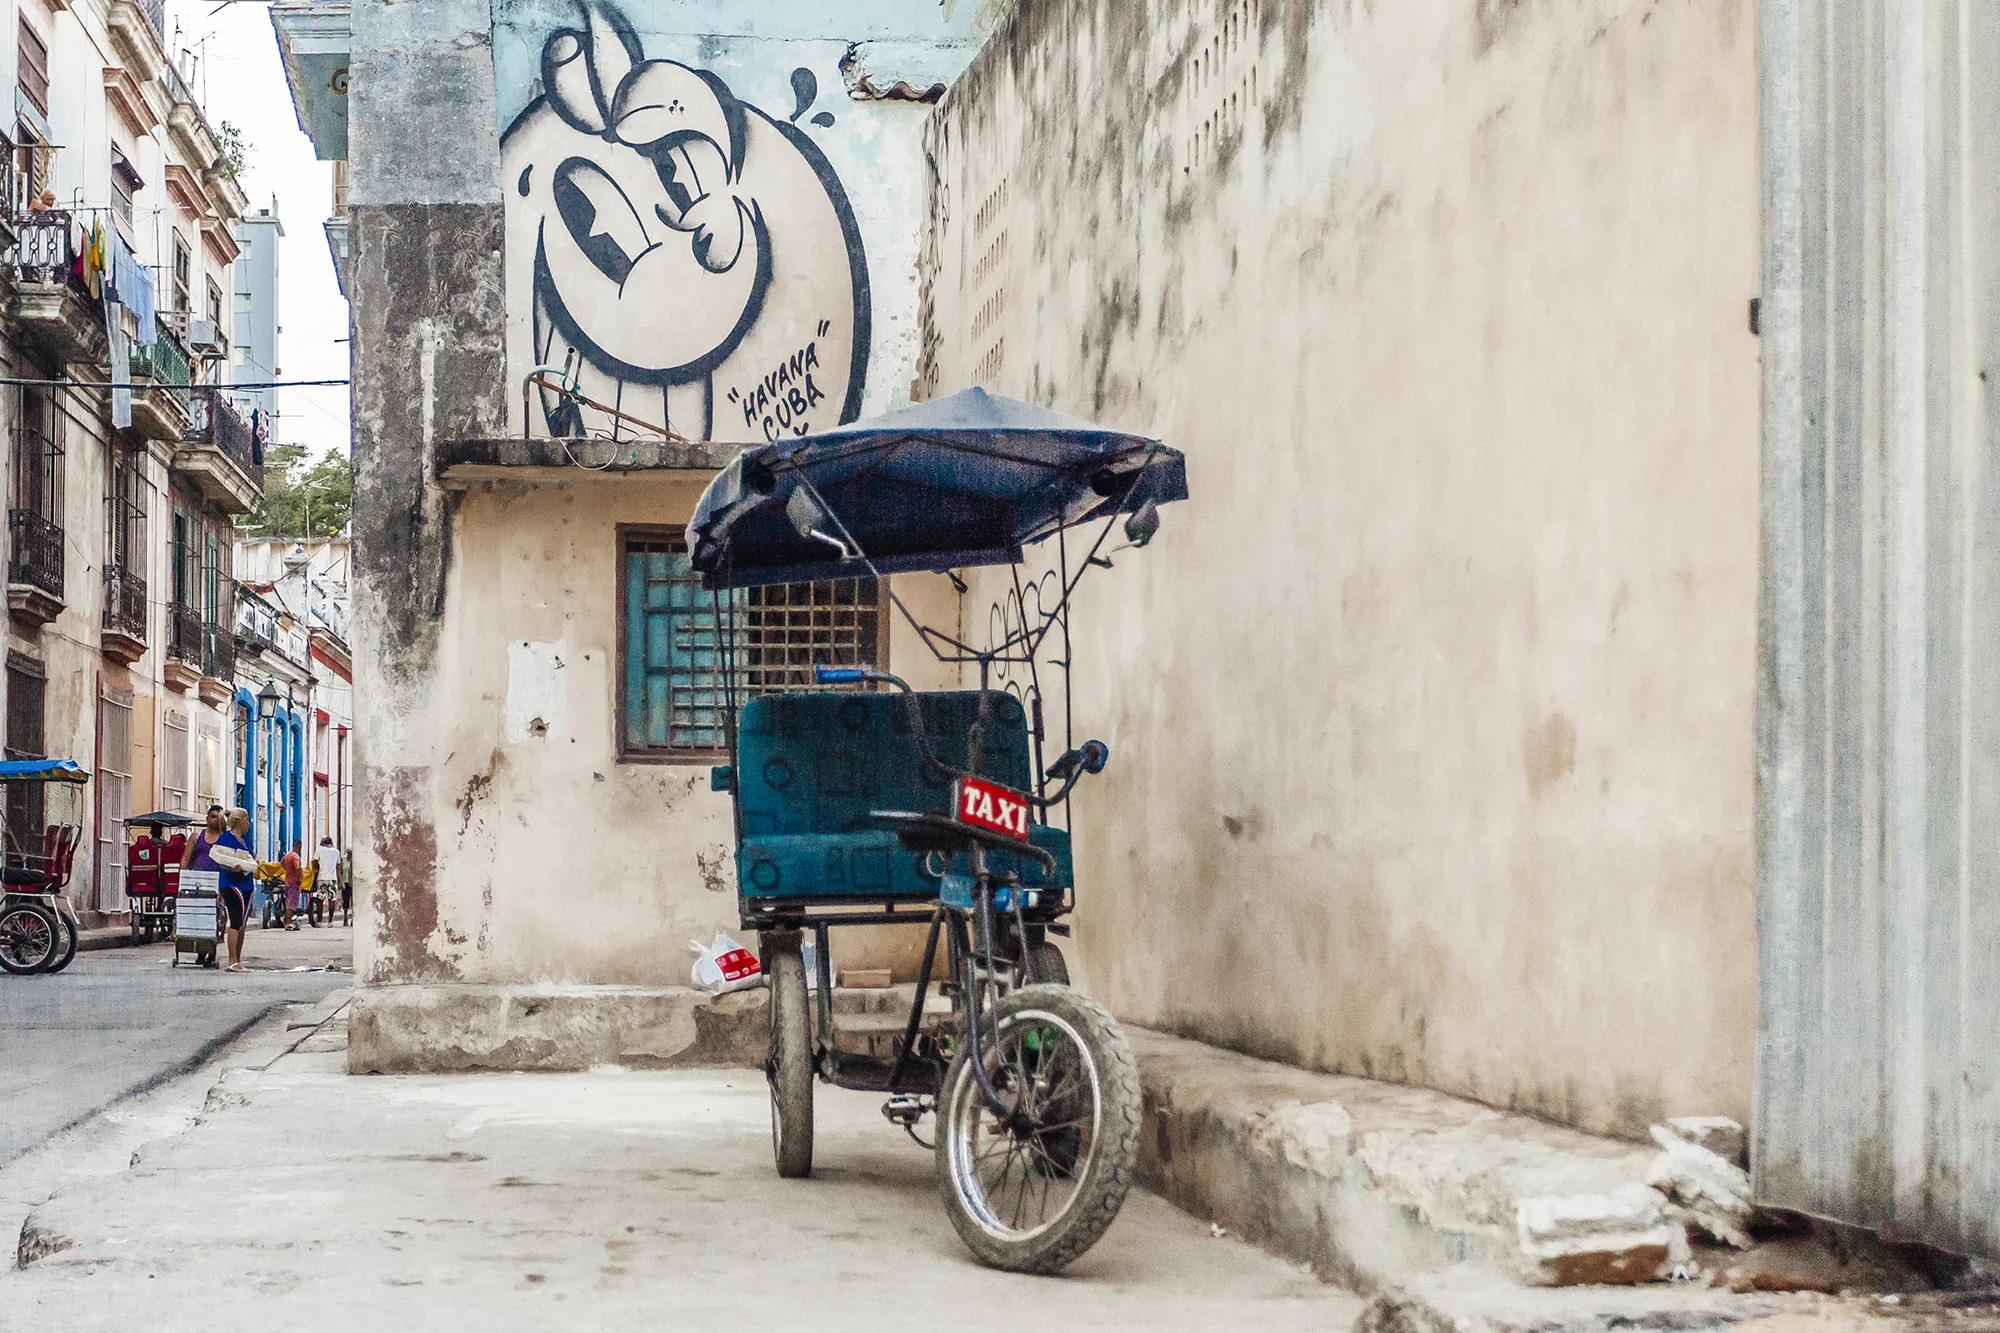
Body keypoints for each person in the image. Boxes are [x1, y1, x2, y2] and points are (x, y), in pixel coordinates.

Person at [182, 805, 253, 972]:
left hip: (245, 883)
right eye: (247, 820)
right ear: (239, 821)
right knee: (234, 921)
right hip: (230, 883)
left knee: (241, 923)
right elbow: (221, 859)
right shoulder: (226, 838)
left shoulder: (245, 840)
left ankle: (236, 959)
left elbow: (250, 857)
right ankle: (231, 960)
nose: (249, 824)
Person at [314, 838, 340, 929]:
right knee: (332, 899)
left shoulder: (319, 850)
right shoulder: (336, 852)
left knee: (320, 899)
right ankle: (330, 922)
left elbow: (315, 863)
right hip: (332, 878)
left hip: (322, 877)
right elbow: (338, 866)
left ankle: (319, 921)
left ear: (322, 843)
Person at [280, 840, 304, 932]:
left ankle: (289, 922)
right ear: (299, 846)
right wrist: (298, 878)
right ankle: (288, 923)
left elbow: (282, 863)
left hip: (287, 881)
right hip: (294, 883)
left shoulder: (288, 855)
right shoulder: (295, 857)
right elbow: (297, 867)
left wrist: (288, 870)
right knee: (291, 904)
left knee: (288, 901)